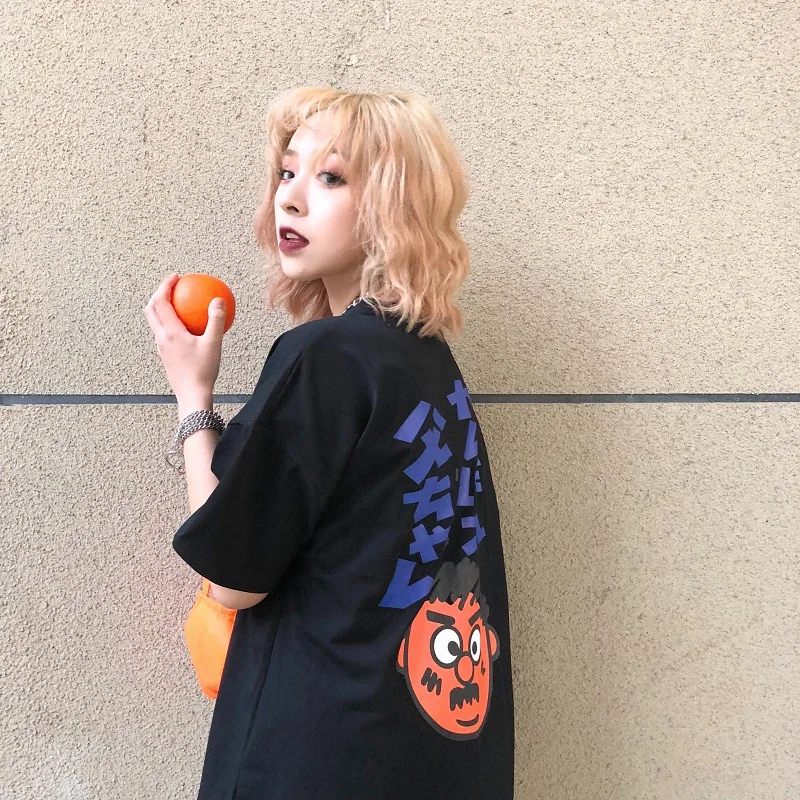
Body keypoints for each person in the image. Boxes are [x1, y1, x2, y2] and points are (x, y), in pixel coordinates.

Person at [145, 87, 515, 799]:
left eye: (331, 177)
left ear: (392, 206)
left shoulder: (324, 357)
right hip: (429, 755)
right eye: (287, 173)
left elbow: (234, 579)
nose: (289, 198)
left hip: (318, 754)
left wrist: (193, 397)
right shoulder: (428, 361)